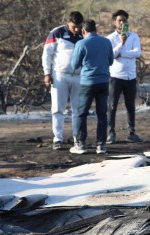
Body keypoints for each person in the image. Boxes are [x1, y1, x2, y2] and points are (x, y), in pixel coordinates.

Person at [69, 19, 114, 155]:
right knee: (102, 114)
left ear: (83, 31)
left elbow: (74, 65)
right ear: (96, 29)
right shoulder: (106, 42)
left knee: (81, 113)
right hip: (104, 81)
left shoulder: (81, 43)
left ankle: (81, 144)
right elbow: (111, 61)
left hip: (88, 82)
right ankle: (101, 145)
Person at [42, 11, 84, 150]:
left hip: (79, 76)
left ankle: (77, 138)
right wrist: (47, 73)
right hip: (60, 75)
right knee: (57, 109)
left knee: (77, 109)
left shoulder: (84, 33)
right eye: (74, 26)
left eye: (79, 26)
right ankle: (57, 139)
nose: (77, 29)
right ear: (68, 22)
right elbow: (47, 54)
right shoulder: (57, 32)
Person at [106, 9, 143, 144]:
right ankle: (111, 133)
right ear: (114, 22)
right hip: (115, 76)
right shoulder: (110, 38)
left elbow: (137, 53)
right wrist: (121, 44)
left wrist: (123, 52)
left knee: (130, 106)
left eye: (124, 20)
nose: (122, 23)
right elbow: (112, 55)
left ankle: (131, 133)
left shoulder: (134, 36)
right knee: (112, 106)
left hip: (130, 76)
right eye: (119, 20)